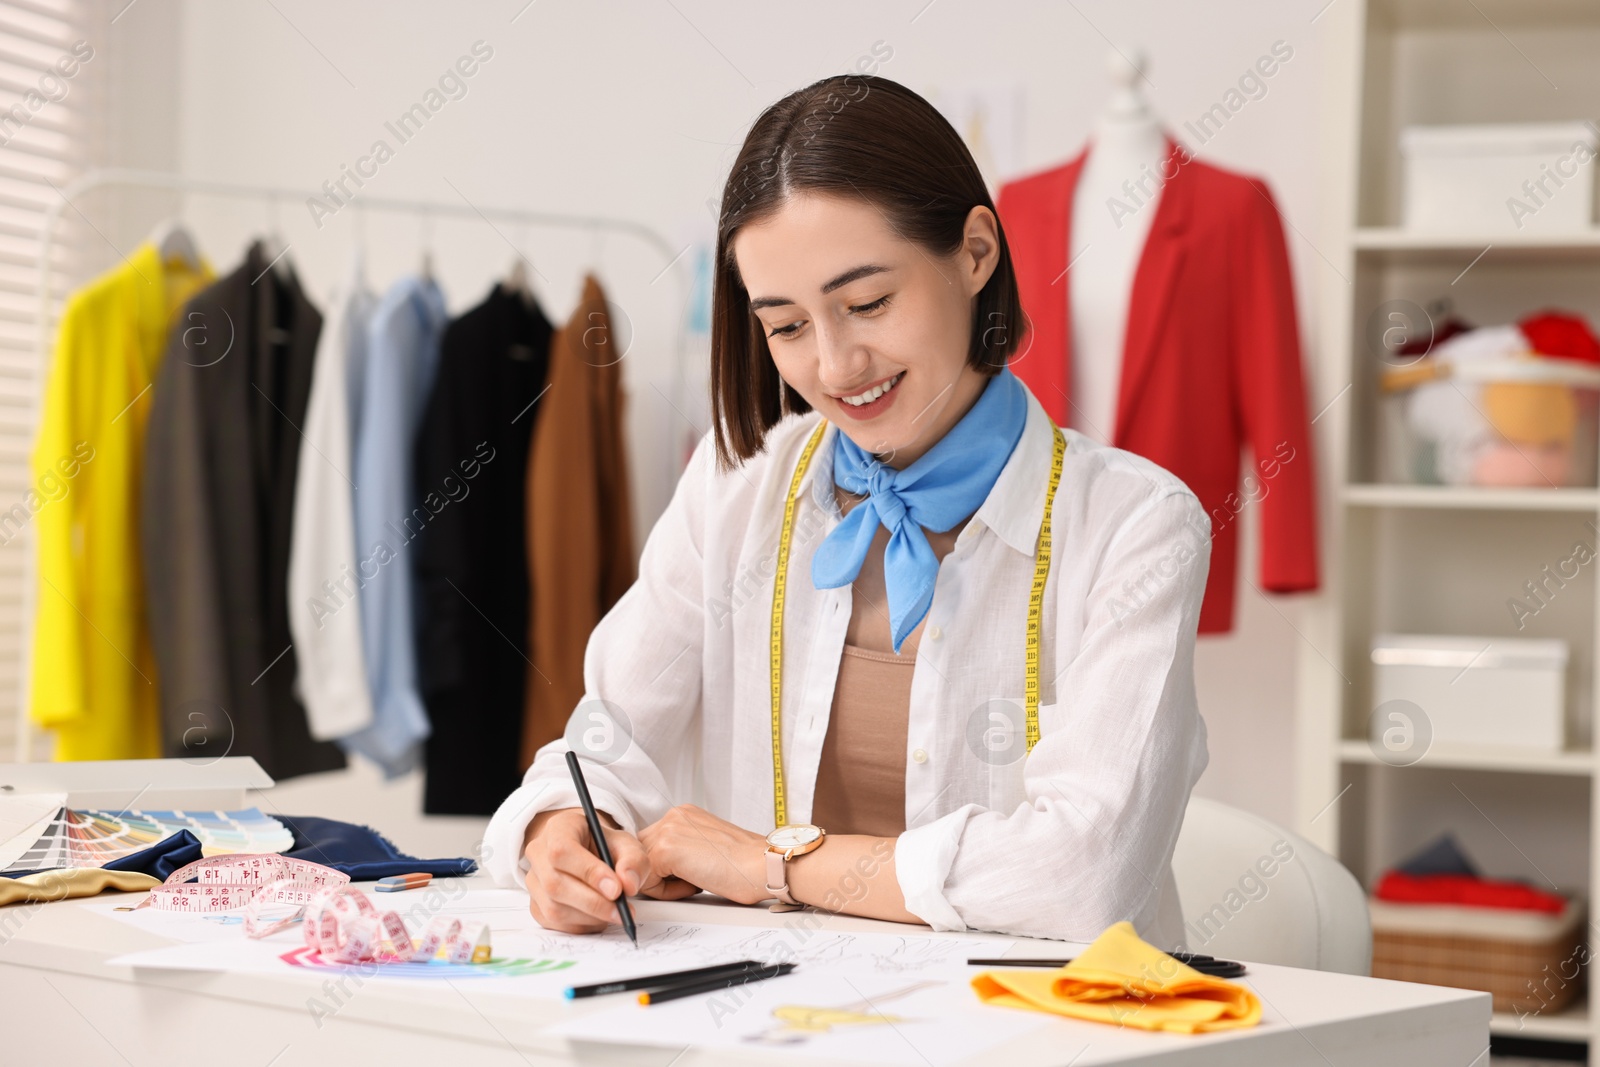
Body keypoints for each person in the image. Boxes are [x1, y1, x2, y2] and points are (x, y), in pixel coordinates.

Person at [482, 73, 1211, 947]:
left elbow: (1083, 873)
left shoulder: (1137, 526)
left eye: (867, 303)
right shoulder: (736, 482)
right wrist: (558, 829)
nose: (834, 365)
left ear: (976, 252)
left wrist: (769, 864)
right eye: (786, 325)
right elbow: (605, 741)